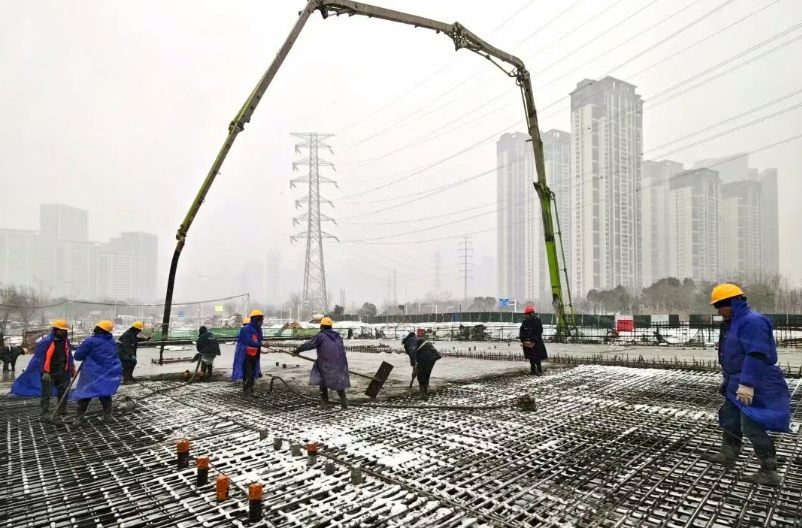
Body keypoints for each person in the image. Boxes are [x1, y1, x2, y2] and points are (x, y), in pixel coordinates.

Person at [702, 283, 790, 486]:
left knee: (751, 424)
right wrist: (729, 380)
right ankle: (728, 454)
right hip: (736, 379)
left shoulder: (753, 322)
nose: (717, 311)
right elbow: (734, 353)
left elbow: (756, 354)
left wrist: (747, 384)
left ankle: (769, 471)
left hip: (756, 379)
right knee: (729, 418)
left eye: (718, 306)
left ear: (731, 302)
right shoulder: (733, 321)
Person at [11, 319, 75, 418]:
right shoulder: (46, 342)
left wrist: (71, 368)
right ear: (56, 330)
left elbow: (69, 356)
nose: (63, 332)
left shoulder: (66, 342)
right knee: (47, 392)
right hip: (49, 372)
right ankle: (45, 410)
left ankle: (62, 409)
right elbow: (39, 358)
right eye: (61, 330)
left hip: (63, 371)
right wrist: (44, 371)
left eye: (64, 331)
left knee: (63, 391)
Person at [72, 320, 123, 425]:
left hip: (91, 373)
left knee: (85, 394)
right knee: (105, 393)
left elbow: (78, 356)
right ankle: (107, 415)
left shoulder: (90, 341)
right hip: (106, 373)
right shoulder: (112, 341)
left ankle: (79, 418)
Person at [294, 317, 350, 409]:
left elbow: (309, 344)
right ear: (331, 326)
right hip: (340, 363)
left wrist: (297, 350)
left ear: (322, 327)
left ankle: (325, 403)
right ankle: (344, 403)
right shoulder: (338, 336)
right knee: (338, 380)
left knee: (322, 379)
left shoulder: (320, 336)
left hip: (326, 363)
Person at [232, 310, 264, 397]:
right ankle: (246, 392)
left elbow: (259, 340)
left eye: (262, 321)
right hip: (246, 355)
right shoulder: (246, 329)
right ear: (255, 320)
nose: (261, 322)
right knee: (248, 373)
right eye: (260, 321)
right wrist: (260, 344)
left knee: (253, 374)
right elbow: (249, 341)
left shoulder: (259, 330)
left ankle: (251, 391)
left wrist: (261, 344)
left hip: (255, 355)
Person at [402, 332, 442, 401]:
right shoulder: (415, 339)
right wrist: (414, 368)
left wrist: (414, 366)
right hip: (433, 354)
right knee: (426, 374)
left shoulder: (409, 341)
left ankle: (423, 395)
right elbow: (415, 354)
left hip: (426, 354)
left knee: (421, 375)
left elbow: (412, 352)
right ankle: (425, 393)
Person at [519, 305, 547, 375]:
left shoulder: (537, 321)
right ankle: (533, 370)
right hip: (528, 342)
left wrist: (532, 338)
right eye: (525, 314)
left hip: (536, 342)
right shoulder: (525, 322)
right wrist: (523, 338)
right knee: (531, 356)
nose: (525, 316)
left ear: (530, 314)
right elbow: (522, 331)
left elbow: (539, 331)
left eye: (526, 314)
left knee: (537, 357)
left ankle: (539, 370)